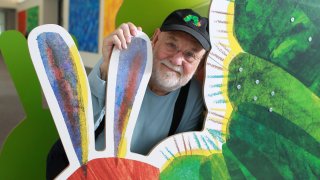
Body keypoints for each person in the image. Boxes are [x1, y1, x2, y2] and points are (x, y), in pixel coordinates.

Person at [46, 8, 211, 179]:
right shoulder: (120, 63)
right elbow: (76, 131)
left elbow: (178, 162)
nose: (176, 60)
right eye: (171, 45)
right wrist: (106, 72)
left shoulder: (193, 97)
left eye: (190, 55)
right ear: (155, 39)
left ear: (200, 65)